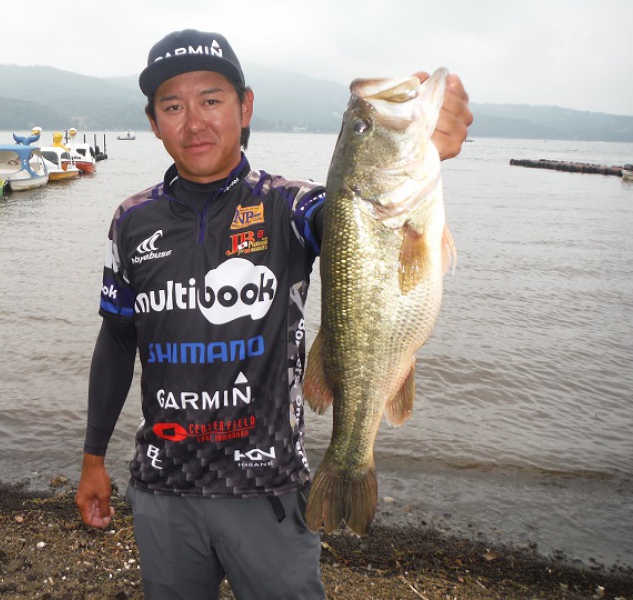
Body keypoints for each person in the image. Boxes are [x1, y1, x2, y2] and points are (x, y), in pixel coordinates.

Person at [75, 29, 473, 600]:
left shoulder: (289, 205)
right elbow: (115, 342)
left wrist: (426, 145)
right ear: (153, 121)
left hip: (269, 494)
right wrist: (93, 459)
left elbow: (350, 218)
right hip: (162, 489)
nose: (194, 122)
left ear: (246, 106)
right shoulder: (131, 220)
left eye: (212, 99)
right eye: (173, 106)